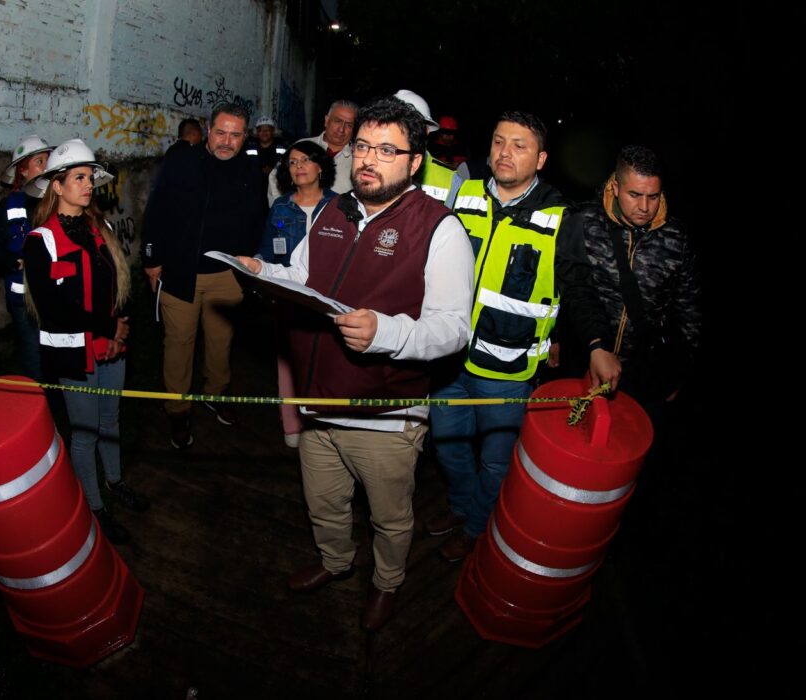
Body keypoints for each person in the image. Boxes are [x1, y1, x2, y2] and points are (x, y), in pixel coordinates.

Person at [237, 96, 475, 631]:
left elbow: (453, 329)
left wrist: (385, 333)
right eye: (364, 146)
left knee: (390, 519)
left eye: (387, 150)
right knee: (324, 503)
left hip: (385, 413)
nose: (369, 159)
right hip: (318, 400)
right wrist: (264, 272)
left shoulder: (439, 229)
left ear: (415, 162)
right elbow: (303, 277)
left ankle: (386, 584)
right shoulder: (333, 209)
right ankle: (335, 561)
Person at [427, 111, 621, 562]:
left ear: (541, 159)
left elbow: (579, 288)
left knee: (496, 461)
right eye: (499, 141)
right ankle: (461, 505)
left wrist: (596, 346)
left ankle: (476, 527)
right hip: (449, 358)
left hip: (508, 370)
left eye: (519, 145)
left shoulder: (561, 217)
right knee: (448, 445)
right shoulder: (465, 193)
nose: (505, 153)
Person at [22, 139, 148, 545]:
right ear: (56, 186)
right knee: (85, 432)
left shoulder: (101, 228)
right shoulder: (40, 241)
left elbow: (120, 285)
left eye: (90, 177)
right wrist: (108, 327)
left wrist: (119, 326)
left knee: (111, 419)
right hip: (73, 352)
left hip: (111, 345)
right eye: (79, 177)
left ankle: (114, 481)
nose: (89, 184)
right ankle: (94, 508)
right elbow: (54, 309)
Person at [142, 103, 267, 448]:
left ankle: (216, 394)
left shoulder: (250, 170)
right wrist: (152, 260)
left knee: (221, 342)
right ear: (208, 130)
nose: (227, 141)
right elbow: (156, 210)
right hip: (180, 272)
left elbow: (258, 220)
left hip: (228, 275)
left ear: (245, 136)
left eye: (235, 135)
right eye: (221, 132)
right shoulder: (182, 162)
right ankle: (177, 409)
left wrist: (255, 261)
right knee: (178, 344)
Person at [573, 145, 701, 413]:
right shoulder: (583, 222)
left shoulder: (676, 239)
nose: (644, 207)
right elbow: (566, 288)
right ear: (615, 187)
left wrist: (679, 373)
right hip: (583, 360)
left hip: (644, 374)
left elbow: (688, 310)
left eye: (653, 196)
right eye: (634, 194)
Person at [256, 140, 337, 448]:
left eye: (305, 160)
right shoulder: (281, 207)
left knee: (326, 361)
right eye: (292, 162)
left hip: (327, 298)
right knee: (288, 362)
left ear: (320, 167)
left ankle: (322, 423)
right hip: (289, 297)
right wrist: (255, 268)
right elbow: (267, 251)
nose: (299, 166)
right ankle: (291, 424)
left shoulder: (340, 206)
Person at [0, 134, 53, 380]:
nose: (46, 166)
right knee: (34, 355)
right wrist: (16, 262)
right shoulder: (9, 206)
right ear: (23, 171)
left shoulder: (58, 199)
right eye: (39, 162)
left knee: (58, 354)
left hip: (55, 295)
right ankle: (38, 399)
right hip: (24, 301)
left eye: (47, 160)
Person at [267, 100, 357, 204]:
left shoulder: (358, 158)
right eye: (337, 121)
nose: (341, 129)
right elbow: (275, 178)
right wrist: (282, 209)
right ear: (326, 121)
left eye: (349, 125)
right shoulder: (302, 146)